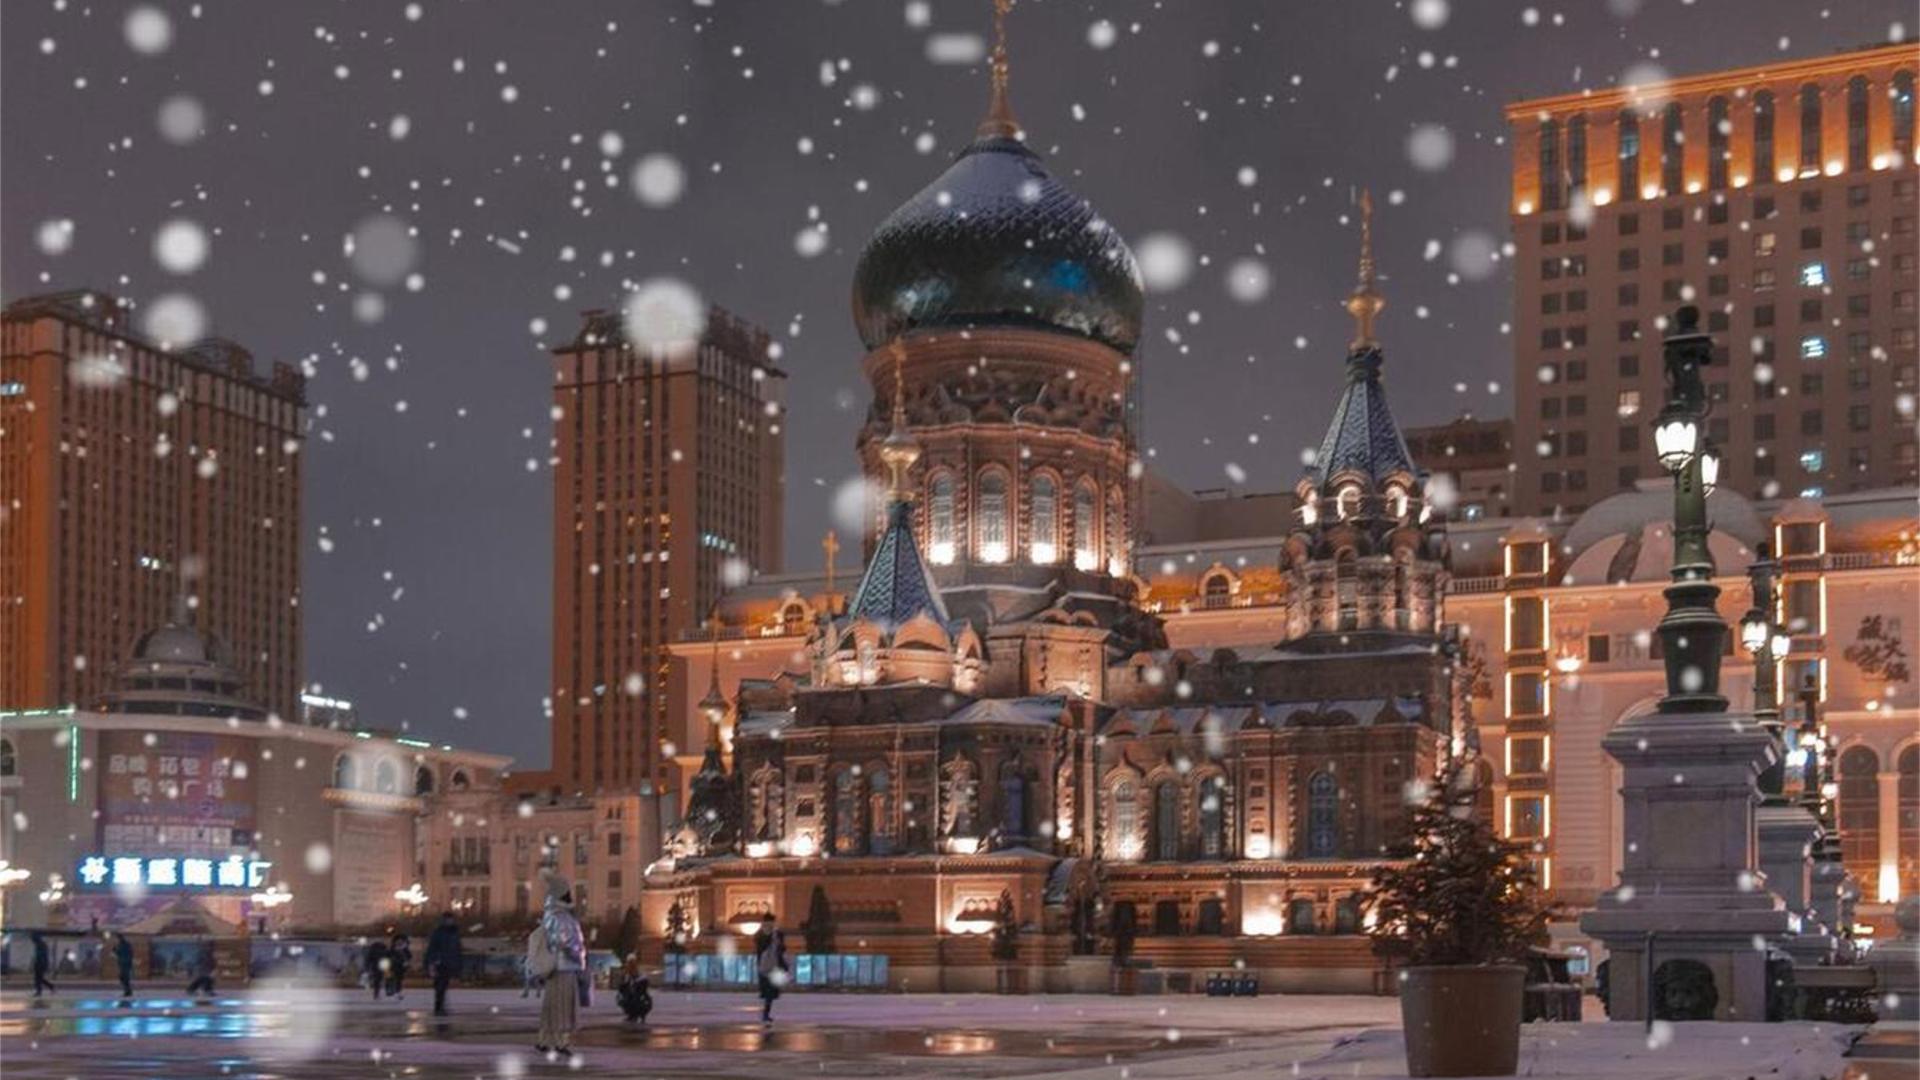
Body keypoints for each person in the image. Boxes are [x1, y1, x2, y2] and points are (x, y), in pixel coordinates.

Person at [530, 871, 586, 1057]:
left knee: (557, 1007)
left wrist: (577, 955)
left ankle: (548, 1040)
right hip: (560, 968)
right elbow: (558, 942)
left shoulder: (562, 917)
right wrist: (574, 952)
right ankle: (555, 1041)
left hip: (566, 968)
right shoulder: (556, 917)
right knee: (558, 1008)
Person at [425, 913, 463, 1017]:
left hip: (448, 962)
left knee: (444, 985)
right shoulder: (439, 933)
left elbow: (457, 949)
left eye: (450, 919)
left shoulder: (454, 933)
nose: (449, 921)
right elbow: (432, 948)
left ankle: (441, 1006)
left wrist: (457, 963)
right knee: (440, 986)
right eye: (447, 920)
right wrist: (433, 961)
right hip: (440, 962)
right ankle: (439, 1007)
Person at [754, 921, 788, 1025]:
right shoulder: (769, 945)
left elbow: (780, 955)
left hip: (770, 970)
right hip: (768, 970)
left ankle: (766, 1013)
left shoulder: (773, 945)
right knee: (769, 994)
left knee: (770, 995)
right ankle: (765, 1014)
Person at [615, 955, 652, 1024]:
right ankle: (631, 1015)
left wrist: (635, 983)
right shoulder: (627, 972)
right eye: (629, 962)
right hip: (632, 994)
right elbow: (624, 983)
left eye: (631, 962)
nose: (630, 964)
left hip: (639, 994)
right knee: (625, 999)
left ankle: (636, 1015)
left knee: (634, 999)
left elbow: (642, 982)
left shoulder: (639, 972)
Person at [386, 932, 411, 1000]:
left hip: (400, 967)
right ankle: (391, 991)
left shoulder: (405, 949)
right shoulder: (392, 949)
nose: (399, 942)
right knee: (391, 979)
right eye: (398, 941)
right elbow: (388, 956)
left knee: (399, 980)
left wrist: (406, 963)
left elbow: (409, 956)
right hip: (392, 967)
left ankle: (398, 992)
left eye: (401, 941)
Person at [30, 932, 55, 997]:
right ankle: (50, 987)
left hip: (41, 964)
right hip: (40, 963)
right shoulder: (39, 944)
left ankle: (39, 991)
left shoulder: (40, 945)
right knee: (39, 978)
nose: (32, 940)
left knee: (38, 978)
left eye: (33, 939)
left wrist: (37, 963)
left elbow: (41, 955)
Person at [113, 933, 135, 1000]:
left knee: (124, 977)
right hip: (124, 963)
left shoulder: (123, 945)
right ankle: (127, 991)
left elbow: (122, 953)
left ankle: (128, 991)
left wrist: (115, 950)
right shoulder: (123, 945)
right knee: (123, 978)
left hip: (125, 963)